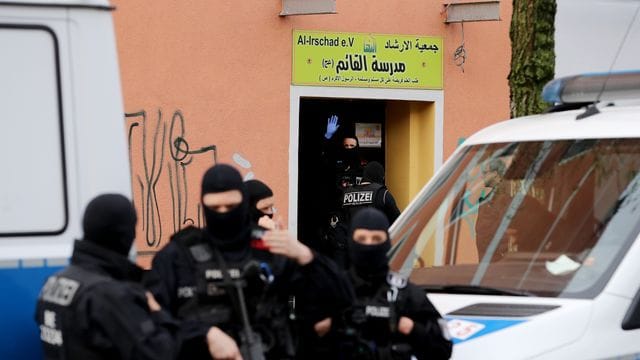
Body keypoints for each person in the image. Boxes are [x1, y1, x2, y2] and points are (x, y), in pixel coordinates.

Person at [146, 164, 351, 359]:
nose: (224, 213)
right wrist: (203, 334)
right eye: (215, 206)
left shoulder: (270, 247)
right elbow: (147, 320)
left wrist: (306, 256)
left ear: (244, 204)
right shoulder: (179, 255)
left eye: (231, 205)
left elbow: (342, 300)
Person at [34, 194, 221, 360]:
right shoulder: (109, 295)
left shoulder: (55, 281)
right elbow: (161, 352)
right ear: (124, 235)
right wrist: (158, 313)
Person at [313, 208, 453, 360]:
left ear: (386, 243)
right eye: (362, 239)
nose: (369, 245)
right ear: (351, 241)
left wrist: (408, 327)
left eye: (376, 239)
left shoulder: (406, 294)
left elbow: (443, 349)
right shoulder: (334, 290)